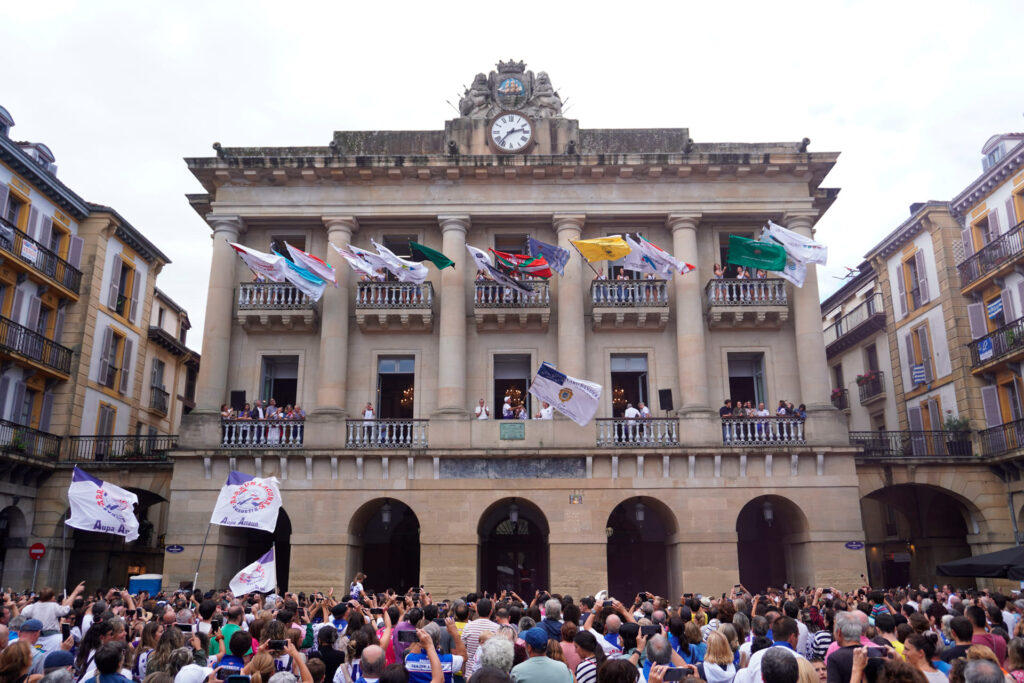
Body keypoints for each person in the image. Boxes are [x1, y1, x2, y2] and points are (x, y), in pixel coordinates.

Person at [463, 600, 500, 679]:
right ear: (491, 612)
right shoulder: (497, 628)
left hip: (470, 674)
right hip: (490, 674)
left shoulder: (468, 627)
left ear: (477, 611)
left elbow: (462, 649)